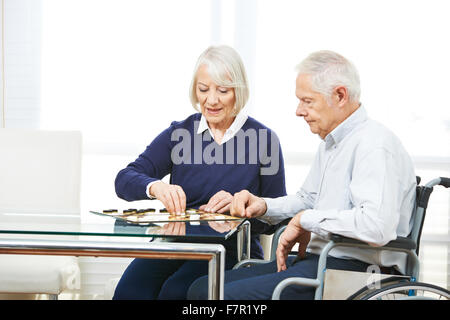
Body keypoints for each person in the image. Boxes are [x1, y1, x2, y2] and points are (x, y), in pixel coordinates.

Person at [187, 50, 417, 300]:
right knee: (202, 287)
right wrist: (263, 205)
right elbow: (308, 199)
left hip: (356, 271)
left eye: (307, 101)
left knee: (220, 296)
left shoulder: (374, 145)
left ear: (340, 95)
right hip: (322, 260)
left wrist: (306, 220)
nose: (299, 111)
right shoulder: (332, 143)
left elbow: (376, 227)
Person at [112, 45, 286, 299]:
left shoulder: (264, 140)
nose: (211, 100)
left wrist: (242, 206)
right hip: (176, 244)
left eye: (222, 91)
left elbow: (278, 216)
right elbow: (124, 179)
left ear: (238, 91)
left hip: (231, 249)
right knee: (130, 290)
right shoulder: (180, 133)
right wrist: (156, 187)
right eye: (203, 89)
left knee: (176, 292)